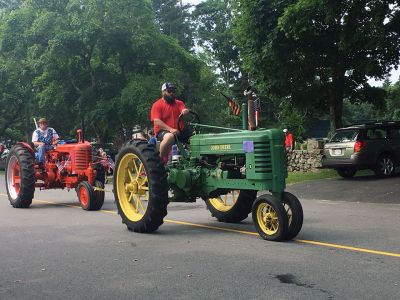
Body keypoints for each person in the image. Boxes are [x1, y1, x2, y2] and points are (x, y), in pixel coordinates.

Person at [150, 82, 189, 160]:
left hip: (179, 131)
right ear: (163, 92)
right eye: (169, 91)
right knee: (169, 137)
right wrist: (171, 129)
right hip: (162, 131)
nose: (171, 93)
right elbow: (157, 121)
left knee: (196, 138)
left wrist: (185, 111)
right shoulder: (157, 105)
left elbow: (183, 109)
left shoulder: (179, 103)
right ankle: (160, 160)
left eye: (173, 91)